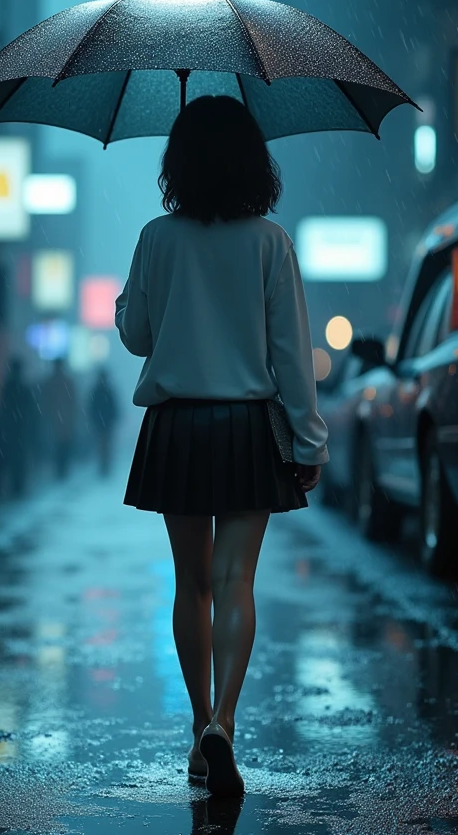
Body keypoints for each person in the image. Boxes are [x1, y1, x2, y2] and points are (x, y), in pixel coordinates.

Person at [115, 96, 328, 796]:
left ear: (177, 163)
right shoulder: (270, 243)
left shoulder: (156, 237)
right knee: (237, 581)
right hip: (246, 429)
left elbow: (138, 336)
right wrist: (308, 441)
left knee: (192, 584)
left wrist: (145, 299)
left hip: (177, 426)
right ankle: (226, 723)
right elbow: (291, 354)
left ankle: (198, 726)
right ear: (252, 163)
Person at [0, 357, 35, 495]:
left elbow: (3, 405)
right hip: (20, 427)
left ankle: (6, 484)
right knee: (18, 456)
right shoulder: (23, 387)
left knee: (8, 454)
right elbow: (30, 408)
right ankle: (17, 485)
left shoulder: (8, 386)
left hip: (10, 426)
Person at [41, 358, 76, 479]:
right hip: (60, 420)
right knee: (61, 445)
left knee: (61, 445)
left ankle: (61, 468)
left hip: (59, 420)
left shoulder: (53, 382)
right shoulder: (65, 382)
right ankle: (61, 468)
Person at [88, 366, 121, 476]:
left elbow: (92, 407)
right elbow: (113, 407)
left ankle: (105, 465)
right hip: (104, 422)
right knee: (105, 445)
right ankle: (105, 465)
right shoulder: (105, 391)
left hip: (103, 422)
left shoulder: (99, 391)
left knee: (104, 445)